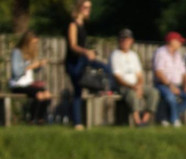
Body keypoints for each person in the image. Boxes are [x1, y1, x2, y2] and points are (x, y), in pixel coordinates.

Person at [64, 0, 114, 130]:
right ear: (79, 8)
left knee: (105, 68)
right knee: (77, 92)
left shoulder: (82, 25)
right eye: (86, 7)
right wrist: (86, 52)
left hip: (83, 59)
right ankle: (77, 123)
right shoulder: (73, 25)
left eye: (89, 7)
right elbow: (73, 46)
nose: (88, 10)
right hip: (74, 62)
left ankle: (99, 88)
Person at [110, 28, 159, 127]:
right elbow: (117, 77)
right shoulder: (115, 55)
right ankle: (138, 121)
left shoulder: (133, 55)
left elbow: (139, 74)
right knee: (131, 95)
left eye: (127, 39)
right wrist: (133, 86)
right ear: (119, 41)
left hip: (136, 85)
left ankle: (145, 119)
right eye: (122, 39)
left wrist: (139, 85)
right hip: (122, 86)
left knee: (153, 92)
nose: (125, 41)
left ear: (131, 41)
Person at [153, 31, 186, 127]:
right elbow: (159, 72)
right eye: (179, 41)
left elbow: (184, 72)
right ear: (172, 41)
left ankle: (168, 116)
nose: (181, 43)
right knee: (170, 97)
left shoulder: (177, 55)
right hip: (163, 84)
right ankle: (174, 120)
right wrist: (170, 85)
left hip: (178, 85)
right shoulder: (161, 52)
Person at [8, 30, 53, 125]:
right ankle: (32, 120)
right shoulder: (17, 52)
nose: (34, 45)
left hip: (29, 84)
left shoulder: (31, 53)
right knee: (39, 95)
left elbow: (33, 70)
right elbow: (16, 72)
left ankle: (41, 119)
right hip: (18, 84)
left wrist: (40, 65)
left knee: (47, 94)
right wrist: (32, 66)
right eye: (33, 43)